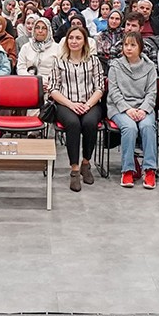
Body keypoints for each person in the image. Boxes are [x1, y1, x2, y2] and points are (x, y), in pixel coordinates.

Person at [47, 25, 106, 193]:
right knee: (73, 124)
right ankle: (74, 169)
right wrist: (71, 104)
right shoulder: (59, 61)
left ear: (85, 41)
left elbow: (100, 87)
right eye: (71, 38)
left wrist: (87, 105)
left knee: (89, 123)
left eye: (78, 38)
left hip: (90, 103)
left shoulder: (94, 61)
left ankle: (86, 163)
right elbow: (53, 89)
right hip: (66, 103)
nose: (74, 41)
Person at [108, 32, 159, 189]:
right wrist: (127, 109)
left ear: (140, 48)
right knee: (129, 128)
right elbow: (114, 92)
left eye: (133, 45)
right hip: (119, 107)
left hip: (143, 107)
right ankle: (128, 170)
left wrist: (143, 109)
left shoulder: (150, 67)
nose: (128, 48)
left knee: (148, 126)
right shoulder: (115, 65)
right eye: (126, 45)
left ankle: (149, 169)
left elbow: (152, 93)